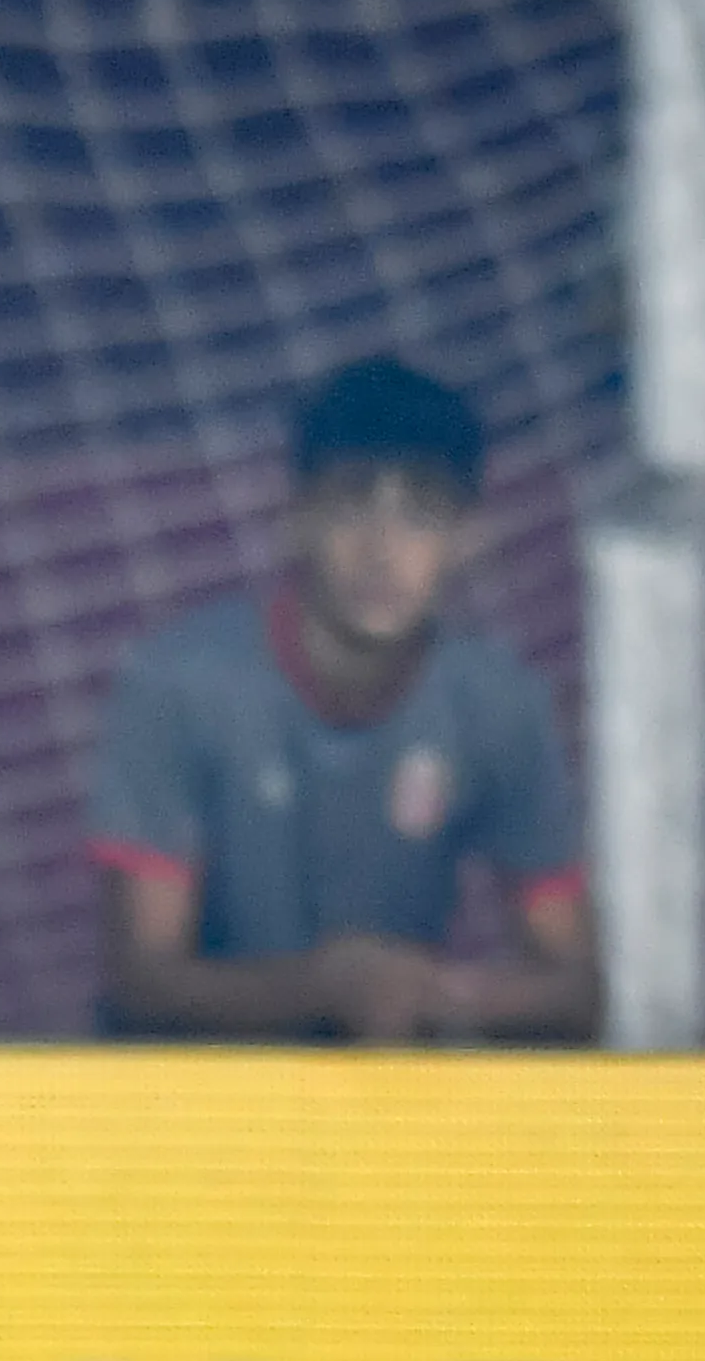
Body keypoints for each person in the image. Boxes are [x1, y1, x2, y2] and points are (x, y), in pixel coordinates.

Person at [88, 358, 604, 1042]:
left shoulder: (498, 701)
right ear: (294, 518)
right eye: (352, 501)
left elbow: (574, 988)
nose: (382, 550)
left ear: (469, 537)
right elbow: (139, 981)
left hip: (397, 1081)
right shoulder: (180, 683)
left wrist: (430, 994)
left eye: (421, 512)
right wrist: (326, 986)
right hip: (200, 1088)